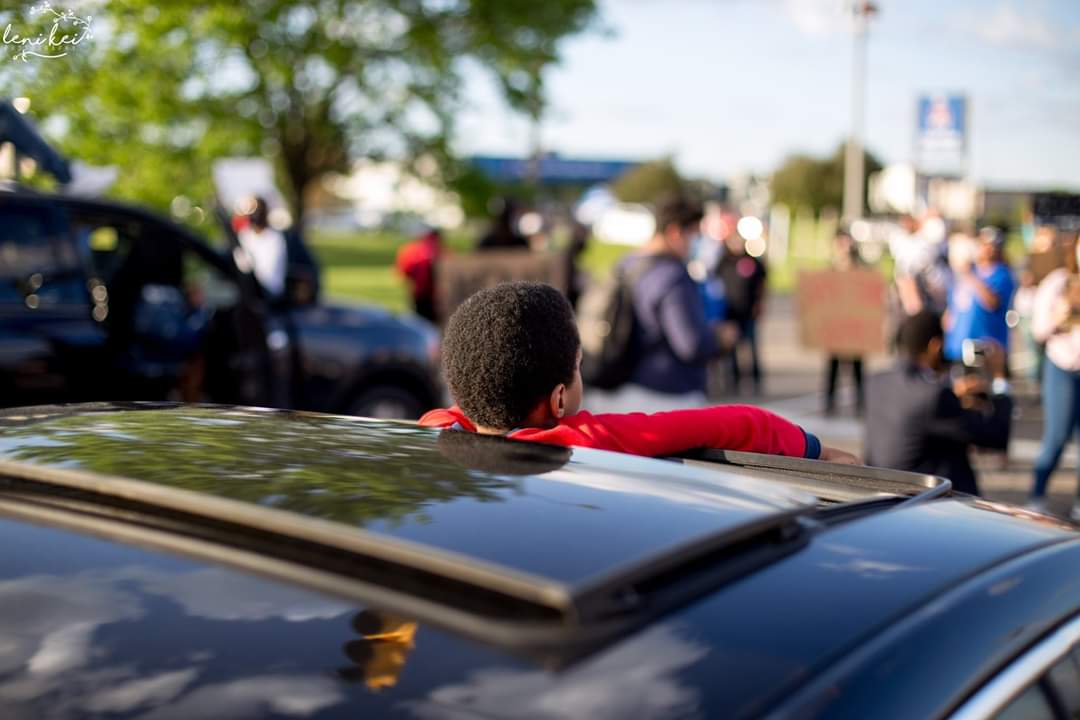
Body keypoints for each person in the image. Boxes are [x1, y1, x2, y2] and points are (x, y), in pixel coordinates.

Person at [420, 281, 857, 463]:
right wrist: (820, 452)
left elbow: (454, 412)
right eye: (578, 367)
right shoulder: (577, 439)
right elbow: (742, 422)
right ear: (558, 400)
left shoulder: (436, 430)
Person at [588, 197, 719, 413]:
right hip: (663, 396)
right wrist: (719, 338)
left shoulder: (626, 264)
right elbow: (690, 345)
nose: (696, 242)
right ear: (676, 231)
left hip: (611, 388)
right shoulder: (673, 275)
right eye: (695, 234)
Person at [864, 311, 1012, 496]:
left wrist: (953, 397)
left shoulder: (876, 382)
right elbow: (996, 436)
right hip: (927, 502)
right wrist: (1000, 379)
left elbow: (916, 413)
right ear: (935, 346)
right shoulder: (934, 397)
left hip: (881, 494)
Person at [1026, 234, 1080, 520]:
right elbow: (1038, 331)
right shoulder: (1057, 282)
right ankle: (1036, 495)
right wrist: (1060, 317)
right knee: (1056, 438)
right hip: (1061, 367)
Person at [943, 226, 1016, 366]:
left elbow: (992, 302)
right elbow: (953, 306)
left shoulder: (1002, 274)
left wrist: (970, 275)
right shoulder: (968, 272)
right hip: (958, 345)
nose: (988, 249)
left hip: (985, 348)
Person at [717, 222, 767, 395]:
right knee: (731, 350)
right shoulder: (724, 261)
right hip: (730, 312)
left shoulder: (752, 261)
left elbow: (762, 284)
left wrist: (759, 304)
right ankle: (734, 382)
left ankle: (756, 380)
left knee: (751, 347)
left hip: (748, 312)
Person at [823, 228, 865, 415]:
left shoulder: (860, 268)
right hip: (836, 325)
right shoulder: (831, 268)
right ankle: (829, 402)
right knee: (833, 365)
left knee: (857, 366)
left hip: (854, 325)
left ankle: (861, 403)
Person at [236, 196, 288, 301]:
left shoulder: (275, 238)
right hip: (248, 291)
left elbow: (269, 273)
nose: (255, 215)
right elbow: (241, 265)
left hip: (270, 293)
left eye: (258, 210)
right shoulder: (244, 236)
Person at [396, 227, 443, 323]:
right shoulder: (441, 251)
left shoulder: (411, 250)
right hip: (433, 293)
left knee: (420, 319)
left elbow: (404, 271)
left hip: (419, 290)